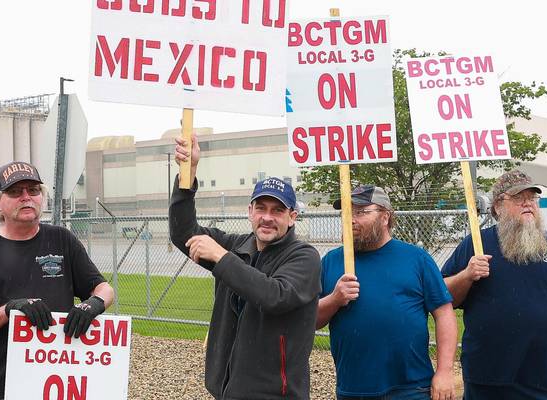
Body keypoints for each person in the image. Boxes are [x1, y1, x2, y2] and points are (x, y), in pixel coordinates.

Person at [169, 134, 321, 399]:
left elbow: (275, 295)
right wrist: (188, 175)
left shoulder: (304, 257)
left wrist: (221, 257)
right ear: (250, 211)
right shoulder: (237, 246)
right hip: (227, 390)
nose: (267, 217)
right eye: (261, 208)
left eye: (277, 211)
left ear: (292, 217)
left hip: (276, 394)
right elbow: (184, 233)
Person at [0, 161, 116, 400]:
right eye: (15, 192)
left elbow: (104, 289)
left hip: (63, 377)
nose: (26, 197)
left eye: (33, 190)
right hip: (5, 383)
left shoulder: (62, 240)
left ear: (42, 197)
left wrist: (92, 305)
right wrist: (9, 310)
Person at [441, 170, 547, 399]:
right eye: (518, 198)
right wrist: (466, 275)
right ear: (497, 206)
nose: (527, 204)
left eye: (532, 198)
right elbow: (444, 297)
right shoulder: (476, 244)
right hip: (489, 378)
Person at [317, 185, 458, 400]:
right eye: (346, 212)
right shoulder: (331, 262)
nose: (350, 219)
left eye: (360, 212)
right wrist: (335, 299)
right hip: (353, 389)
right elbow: (311, 320)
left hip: (412, 388)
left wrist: (444, 371)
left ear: (385, 217)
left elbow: (444, 313)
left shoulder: (416, 259)